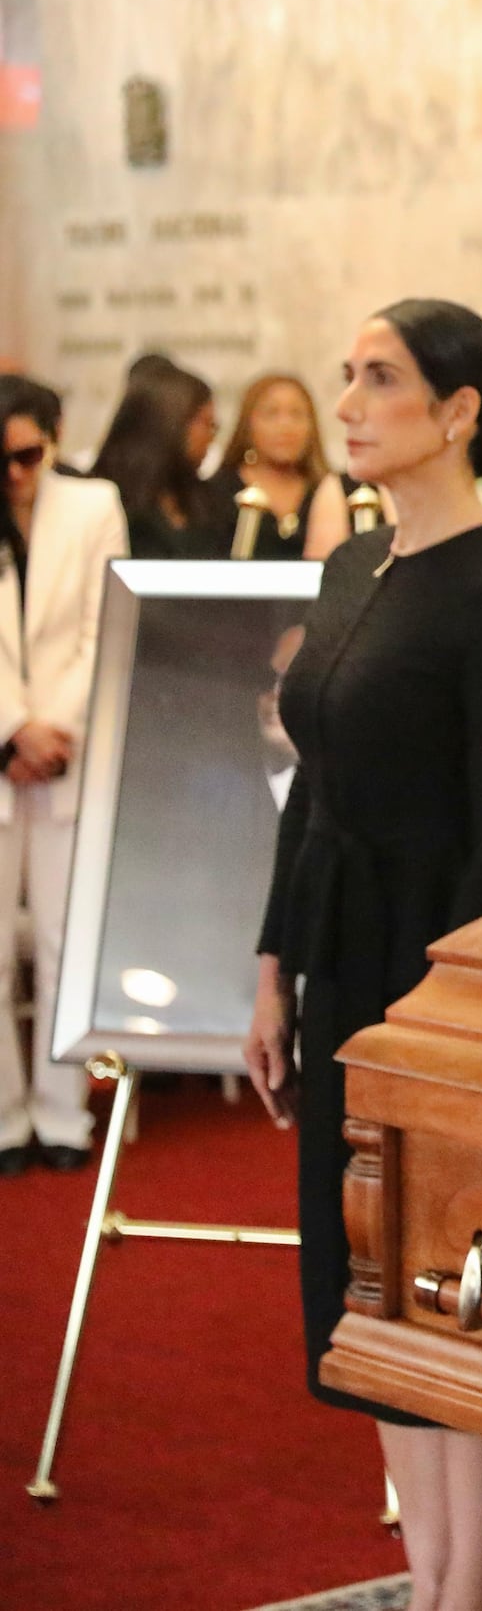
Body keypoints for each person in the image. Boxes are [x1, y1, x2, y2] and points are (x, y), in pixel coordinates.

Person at [243, 300, 482, 1611]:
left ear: (461, 410)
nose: (352, 402)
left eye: (380, 378)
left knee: (455, 1294)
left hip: (442, 977)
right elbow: (312, 786)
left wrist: (442, 1017)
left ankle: (471, 1593)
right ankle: (431, 1583)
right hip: (337, 957)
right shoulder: (351, 567)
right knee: (368, 1290)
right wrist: (272, 971)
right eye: (347, 377)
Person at [0, 377, 128, 1173]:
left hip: (68, 752)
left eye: (28, 455)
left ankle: (61, 1113)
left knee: (62, 938)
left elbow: (104, 620)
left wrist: (53, 730)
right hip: (9, 741)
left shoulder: (93, 504)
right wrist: (12, 727)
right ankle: (5, 1119)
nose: (14, 474)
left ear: (53, 442)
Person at [205, 372, 353, 561]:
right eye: (271, 414)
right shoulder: (216, 493)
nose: (285, 426)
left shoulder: (331, 492)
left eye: (297, 414)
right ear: (248, 424)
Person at [91, 357, 220, 557]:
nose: (211, 437)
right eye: (206, 424)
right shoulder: (105, 499)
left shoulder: (204, 499)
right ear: (172, 424)